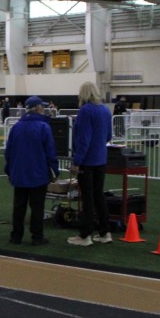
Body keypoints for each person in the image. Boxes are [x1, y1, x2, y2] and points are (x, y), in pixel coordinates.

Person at [5, 96, 59, 245]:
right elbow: (50, 152)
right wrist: (54, 170)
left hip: (19, 172)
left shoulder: (16, 127)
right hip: (38, 172)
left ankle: (16, 236)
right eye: (42, 106)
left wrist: (9, 170)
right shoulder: (43, 127)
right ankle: (37, 236)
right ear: (38, 107)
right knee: (37, 207)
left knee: (19, 206)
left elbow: (8, 152)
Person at [68, 82, 113, 246]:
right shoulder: (105, 110)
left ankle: (85, 235)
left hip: (87, 161)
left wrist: (77, 162)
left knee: (87, 198)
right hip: (101, 159)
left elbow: (83, 139)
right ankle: (105, 232)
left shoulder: (85, 111)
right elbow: (108, 136)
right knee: (99, 196)